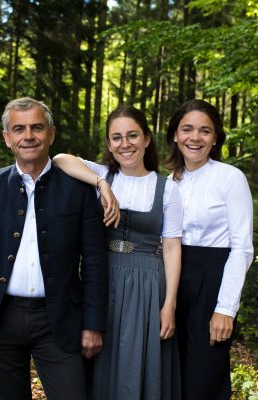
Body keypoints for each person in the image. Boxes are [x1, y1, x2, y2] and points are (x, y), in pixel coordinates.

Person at [0, 97, 108, 400]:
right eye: (19, 129)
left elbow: (94, 261)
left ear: (51, 134)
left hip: (59, 319)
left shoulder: (78, 188)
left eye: (37, 128)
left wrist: (93, 324)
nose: (29, 136)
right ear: (7, 138)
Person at [54, 105, 183, 399]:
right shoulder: (102, 175)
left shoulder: (167, 188)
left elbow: (172, 248)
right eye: (116, 138)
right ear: (109, 145)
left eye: (132, 135)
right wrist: (101, 184)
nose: (125, 144)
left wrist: (169, 305)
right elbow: (60, 159)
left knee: (139, 359)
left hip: (148, 285)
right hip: (103, 279)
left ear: (147, 139)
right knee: (100, 356)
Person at [165, 99, 254, 400]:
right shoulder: (167, 183)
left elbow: (242, 248)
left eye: (205, 131)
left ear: (215, 138)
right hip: (172, 280)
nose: (195, 137)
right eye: (187, 129)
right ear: (175, 135)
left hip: (213, 280)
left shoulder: (230, 178)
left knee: (204, 381)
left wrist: (225, 309)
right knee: (171, 378)